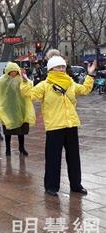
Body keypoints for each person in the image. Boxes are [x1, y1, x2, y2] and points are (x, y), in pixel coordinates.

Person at [20, 56, 96, 196]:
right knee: (53, 157)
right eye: (58, 67)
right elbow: (30, 95)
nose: (61, 69)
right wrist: (25, 82)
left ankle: (76, 185)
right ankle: (51, 186)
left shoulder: (70, 83)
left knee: (74, 157)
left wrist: (90, 74)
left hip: (71, 124)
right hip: (55, 126)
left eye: (63, 66)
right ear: (51, 69)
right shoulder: (45, 85)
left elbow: (85, 90)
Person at [0, 62, 35, 156]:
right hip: (8, 109)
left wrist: (25, 80)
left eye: (15, 71)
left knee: (21, 131)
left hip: (21, 109)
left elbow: (29, 86)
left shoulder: (21, 79)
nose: (13, 73)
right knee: (8, 130)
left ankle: (21, 148)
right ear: (8, 71)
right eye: (11, 71)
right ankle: (7, 149)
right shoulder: (3, 80)